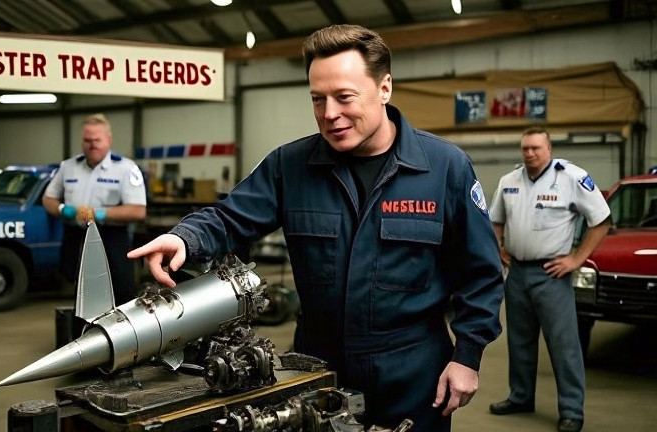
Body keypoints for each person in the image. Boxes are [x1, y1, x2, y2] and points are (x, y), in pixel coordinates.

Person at [128, 24, 504, 431]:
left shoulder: (445, 168)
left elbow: (481, 274)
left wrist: (467, 356)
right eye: (317, 99)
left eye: (344, 97)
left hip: (413, 371)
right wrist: (185, 237)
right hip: (316, 369)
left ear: (384, 88)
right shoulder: (289, 166)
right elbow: (228, 217)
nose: (329, 114)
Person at [488, 127, 611, 432]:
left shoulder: (571, 178)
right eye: (525, 148)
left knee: (563, 345)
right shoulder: (509, 181)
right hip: (517, 273)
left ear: (549, 149)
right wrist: (499, 248)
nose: (530, 153)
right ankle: (520, 396)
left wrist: (576, 259)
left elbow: (601, 221)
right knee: (519, 341)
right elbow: (495, 220)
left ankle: (571, 410)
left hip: (551, 274)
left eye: (536, 148)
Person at [43, 113, 147, 305]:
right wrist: (63, 209)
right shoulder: (68, 167)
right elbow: (48, 199)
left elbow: (138, 210)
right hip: (76, 238)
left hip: (111, 239)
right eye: (87, 140)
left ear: (109, 139)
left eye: (97, 140)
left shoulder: (125, 169)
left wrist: (100, 214)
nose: (92, 145)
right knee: (80, 298)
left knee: (120, 295)